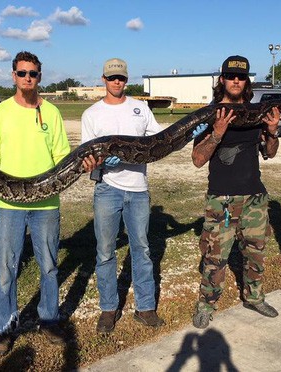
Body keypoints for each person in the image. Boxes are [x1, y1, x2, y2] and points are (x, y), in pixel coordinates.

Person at [0, 51, 85, 354]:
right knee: (6, 268)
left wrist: (80, 166)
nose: (27, 78)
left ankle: (49, 319)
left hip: (46, 204)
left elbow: (61, 157)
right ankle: (4, 327)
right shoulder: (1, 112)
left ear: (39, 77)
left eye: (32, 73)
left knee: (49, 266)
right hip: (8, 205)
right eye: (22, 73)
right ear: (13, 75)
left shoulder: (52, 112)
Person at [81, 58, 201, 334]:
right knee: (105, 252)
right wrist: (101, 163)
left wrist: (187, 135)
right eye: (112, 78)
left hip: (138, 189)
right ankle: (109, 309)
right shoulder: (91, 114)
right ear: (104, 80)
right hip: (107, 189)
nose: (117, 82)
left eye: (121, 78)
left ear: (126, 79)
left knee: (142, 249)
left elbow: (162, 140)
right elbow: (87, 158)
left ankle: (145, 308)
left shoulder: (140, 108)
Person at [191, 55, 281, 329]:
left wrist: (273, 132)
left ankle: (254, 297)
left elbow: (269, 153)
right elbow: (197, 159)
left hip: (254, 196)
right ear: (222, 79)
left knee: (255, 252)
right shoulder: (210, 114)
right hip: (222, 199)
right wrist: (217, 134)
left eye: (241, 77)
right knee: (215, 257)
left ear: (246, 81)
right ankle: (206, 305)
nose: (235, 81)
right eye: (231, 76)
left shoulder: (257, 113)